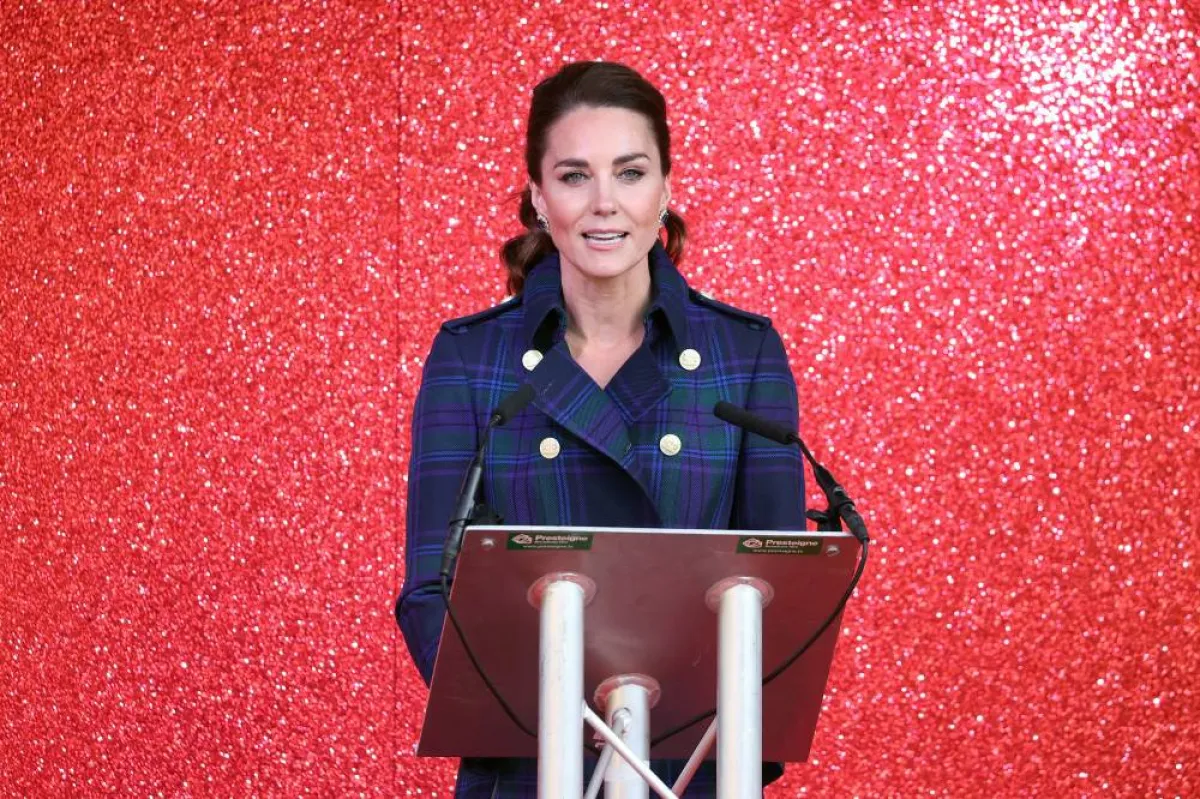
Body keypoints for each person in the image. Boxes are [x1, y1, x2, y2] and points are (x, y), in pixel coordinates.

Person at [396, 60, 806, 797]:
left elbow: (780, 589)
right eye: (575, 175)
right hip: (526, 768)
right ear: (537, 195)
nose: (604, 204)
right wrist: (546, 714)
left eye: (630, 171)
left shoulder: (743, 355)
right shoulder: (471, 359)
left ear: (667, 189)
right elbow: (432, 589)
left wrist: (708, 734)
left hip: (693, 769)